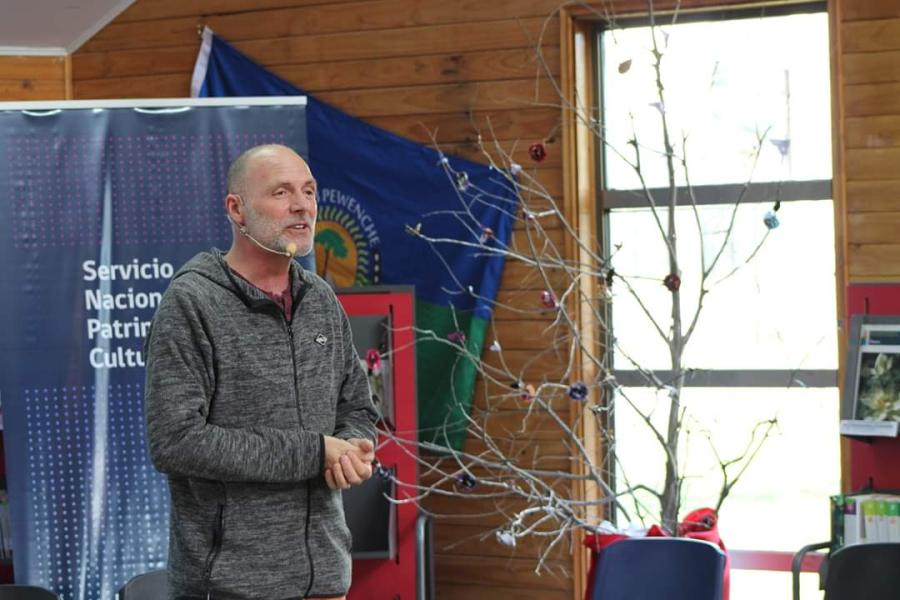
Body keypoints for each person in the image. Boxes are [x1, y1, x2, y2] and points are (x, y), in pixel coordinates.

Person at [144, 144, 378, 600]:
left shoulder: (321, 300)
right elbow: (174, 441)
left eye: (309, 191)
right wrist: (313, 453)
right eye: (281, 192)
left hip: (327, 579)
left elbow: (357, 406)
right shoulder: (192, 303)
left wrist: (351, 447)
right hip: (230, 585)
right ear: (237, 209)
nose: (302, 205)